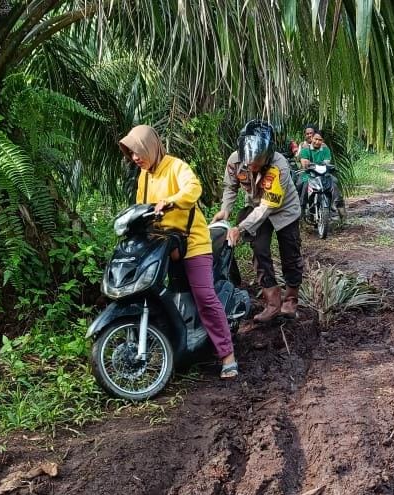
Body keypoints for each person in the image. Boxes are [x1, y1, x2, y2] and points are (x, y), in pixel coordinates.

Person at [119, 125, 240, 379]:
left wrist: (172, 200)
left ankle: (227, 355)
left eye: (138, 151)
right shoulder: (145, 176)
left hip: (193, 243)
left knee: (204, 297)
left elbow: (193, 188)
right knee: (162, 296)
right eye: (131, 154)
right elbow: (142, 207)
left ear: (150, 146)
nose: (135, 158)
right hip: (164, 245)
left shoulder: (176, 167)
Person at [212, 120, 303, 322]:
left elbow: (267, 206)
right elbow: (230, 187)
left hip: (283, 210)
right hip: (255, 208)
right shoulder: (235, 161)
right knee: (259, 251)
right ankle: (272, 303)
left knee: (290, 253)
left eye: (258, 163)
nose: (253, 166)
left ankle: (290, 301)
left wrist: (240, 228)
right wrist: (225, 210)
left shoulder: (279, 166)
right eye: (249, 163)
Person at [298, 130, 345, 217]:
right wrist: (308, 164)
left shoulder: (326, 150)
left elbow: (327, 162)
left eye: (320, 140)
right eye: (316, 139)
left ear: (322, 141)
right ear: (312, 138)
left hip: (323, 174)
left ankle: (339, 208)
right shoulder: (305, 150)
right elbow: (304, 163)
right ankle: (302, 209)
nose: (317, 141)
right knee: (303, 184)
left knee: (334, 182)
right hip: (308, 174)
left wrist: (314, 164)